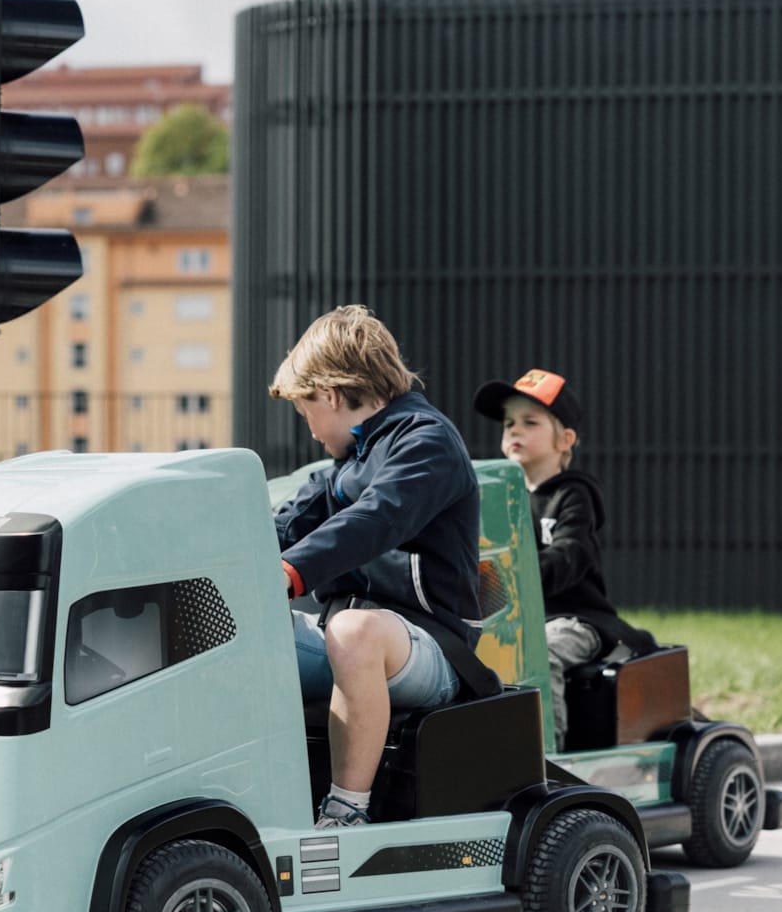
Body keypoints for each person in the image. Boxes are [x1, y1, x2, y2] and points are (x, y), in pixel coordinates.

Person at [272, 305, 496, 828]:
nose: (310, 430)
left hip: (431, 647)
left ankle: (347, 811)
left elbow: (377, 518)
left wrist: (291, 571)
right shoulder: (345, 465)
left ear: (329, 395)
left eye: (306, 411)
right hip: (345, 639)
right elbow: (283, 525)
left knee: (354, 631)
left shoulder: (427, 443)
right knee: (226, 632)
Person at [472, 369, 655, 749]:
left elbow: (571, 553)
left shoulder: (573, 496)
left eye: (530, 422)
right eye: (509, 423)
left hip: (573, 618)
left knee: (543, 652)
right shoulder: (497, 498)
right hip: (513, 619)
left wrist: (519, 579)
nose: (515, 430)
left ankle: (546, 754)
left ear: (565, 440)